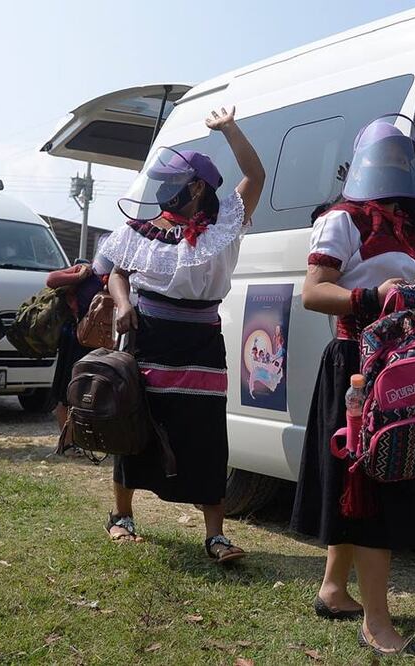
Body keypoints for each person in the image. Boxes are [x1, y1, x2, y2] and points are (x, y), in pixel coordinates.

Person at [291, 117, 415, 656]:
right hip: (359, 361)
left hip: (406, 361)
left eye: (405, 158)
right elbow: (313, 292)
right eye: (389, 157)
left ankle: (334, 590)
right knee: (371, 484)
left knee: (373, 482)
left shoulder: (413, 226)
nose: (397, 167)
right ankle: (376, 620)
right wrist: (373, 298)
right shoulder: (343, 218)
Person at [98, 106, 265, 563]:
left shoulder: (227, 220)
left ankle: (215, 536)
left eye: (170, 183)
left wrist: (229, 129)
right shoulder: (145, 229)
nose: (160, 192)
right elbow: (116, 273)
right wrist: (125, 305)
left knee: (205, 431)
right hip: (149, 335)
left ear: (194, 187)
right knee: (134, 422)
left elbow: (255, 173)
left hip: (201, 341)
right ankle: (122, 517)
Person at [45, 253, 113, 429]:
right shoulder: (87, 271)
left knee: (88, 393)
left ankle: (79, 440)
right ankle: (66, 443)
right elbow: (51, 279)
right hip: (75, 339)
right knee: (66, 393)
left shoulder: (118, 278)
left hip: (98, 343)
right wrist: (79, 276)